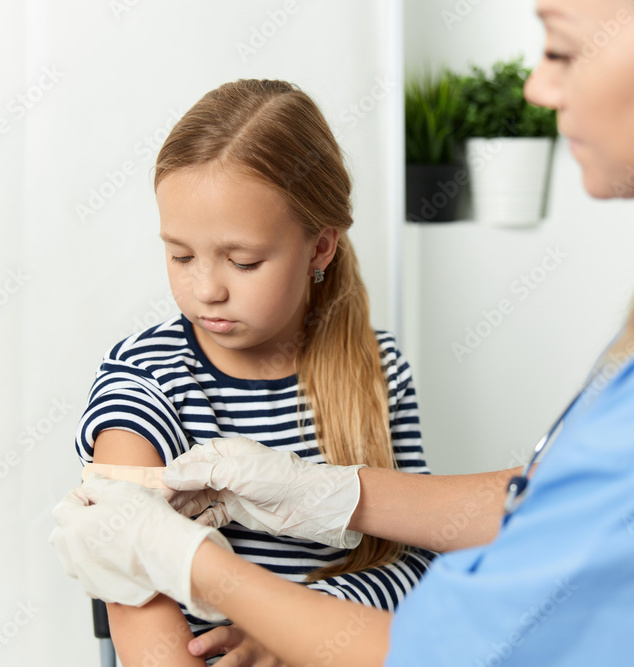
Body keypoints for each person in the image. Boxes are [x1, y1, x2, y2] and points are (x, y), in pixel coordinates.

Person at [51, 0, 634, 665]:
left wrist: (198, 565)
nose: (535, 86)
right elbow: (550, 501)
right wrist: (339, 493)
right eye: (181, 254)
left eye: (560, 47)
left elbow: (441, 648)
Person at [71, 79, 435, 666]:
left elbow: (415, 560)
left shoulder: (378, 367)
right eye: (181, 255)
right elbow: (131, 582)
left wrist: (302, 623)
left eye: (243, 261)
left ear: (320, 248)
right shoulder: (146, 378)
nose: (206, 288)